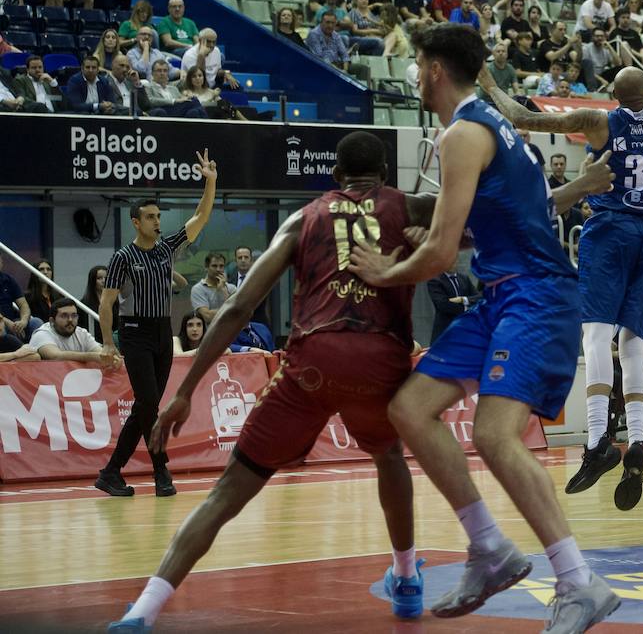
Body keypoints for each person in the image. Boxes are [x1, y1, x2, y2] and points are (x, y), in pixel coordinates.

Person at [347, 25, 620, 630]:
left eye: (418, 65)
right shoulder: (495, 127)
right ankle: (490, 548)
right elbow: (501, 223)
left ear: (436, 70)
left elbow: (443, 256)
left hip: (537, 297)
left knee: (496, 436)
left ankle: (579, 582)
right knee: (411, 409)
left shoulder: (462, 134)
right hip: (504, 294)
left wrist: (387, 270)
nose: (415, 76)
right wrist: (446, 235)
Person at [106, 133, 436, 630]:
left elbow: (239, 307)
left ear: (335, 178)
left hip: (313, 361)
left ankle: (142, 612)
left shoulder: (304, 218)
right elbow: (494, 223)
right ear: (385, 175)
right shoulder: (411, 207)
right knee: (388, 456)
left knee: (227, 491)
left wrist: (184, 390)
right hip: (379, 358)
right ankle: (407, 576)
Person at [477, 0, 643, 511]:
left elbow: (520, 114)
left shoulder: (598, 121)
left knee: (594, 337)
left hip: (610, 231)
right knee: (632, 344)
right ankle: (635, 440)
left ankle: (596, 438)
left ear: (613, 94)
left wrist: (485, 77)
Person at [94, 152, 219, 499]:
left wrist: (210, 180)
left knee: (146, 407)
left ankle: (111, 473)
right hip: (134, 334)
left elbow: (201, 216)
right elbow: (106, 302)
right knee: (148, 403)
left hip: (164, 332)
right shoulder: (122, 257)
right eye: (150, 217)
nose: (157, 221)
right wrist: (107, 342)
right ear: (136, 222)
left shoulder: (167, 248)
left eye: (159, 216)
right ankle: (159, 470)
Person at [30, 298, 121, 366]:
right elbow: (55, 356)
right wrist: (94, 357)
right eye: (64, 316)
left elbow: (99, 352)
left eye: (74, 316)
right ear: (52, 321)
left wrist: (111, 358)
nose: (70, 320)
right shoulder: (42, 334)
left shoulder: (81, 333)